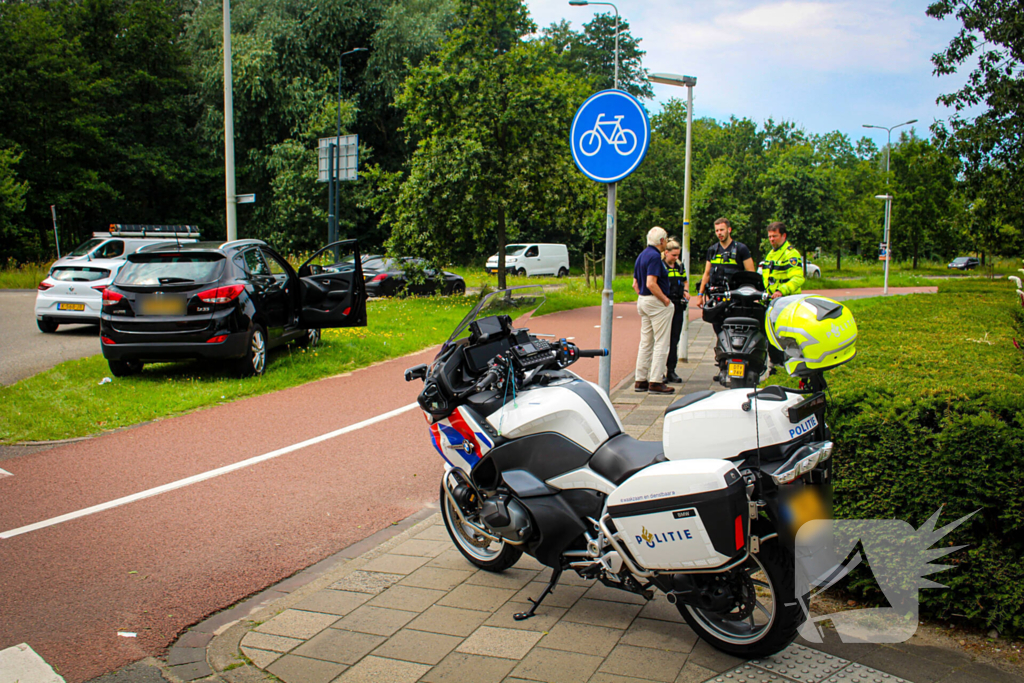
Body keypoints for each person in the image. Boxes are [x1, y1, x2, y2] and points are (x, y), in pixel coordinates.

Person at [632, 227, 675, 394]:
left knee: (646, 342)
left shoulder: (641, 256)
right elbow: (651, 282)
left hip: (642, 300)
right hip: (655, 301)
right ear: (662, 241)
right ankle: (656, 381)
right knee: (661, 342)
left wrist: (643, 296)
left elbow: (636, 283)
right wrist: (665, 299)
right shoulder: (655, 257)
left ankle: (640, 379)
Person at [694, 218, 755, 332]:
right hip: (717, 297)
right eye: (717, 230)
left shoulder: (741, 249)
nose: (719, 233)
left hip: (735, 298)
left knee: (734, 330)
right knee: (718, 329)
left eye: (722, 230)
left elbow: (750, 274)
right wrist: (700, 294)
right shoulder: (713, 250)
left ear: (729, 230)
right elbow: (706, 274)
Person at [760, 221, 805, 373]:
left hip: (787, 302)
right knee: (771, 334)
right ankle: (775, 365)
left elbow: (798, 278)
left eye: (775, 236)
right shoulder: (771, 254)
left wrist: (781, 291)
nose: (771, 240)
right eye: (769, 237)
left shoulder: (791, 254)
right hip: (773, 302)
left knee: (784, 336)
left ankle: (787, 365)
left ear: (783, 236)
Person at [662, 238, 689, 383]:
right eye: (673, 255)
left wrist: (685, 290)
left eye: (678, 255)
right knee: (663, 340)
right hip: (665, 305)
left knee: (674, 340)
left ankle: (671, 370)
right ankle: (659, 372)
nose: (676, 258)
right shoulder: (661, 266)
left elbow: (684, 281)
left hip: (678, 305)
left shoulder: (679, 266)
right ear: (666, 253)